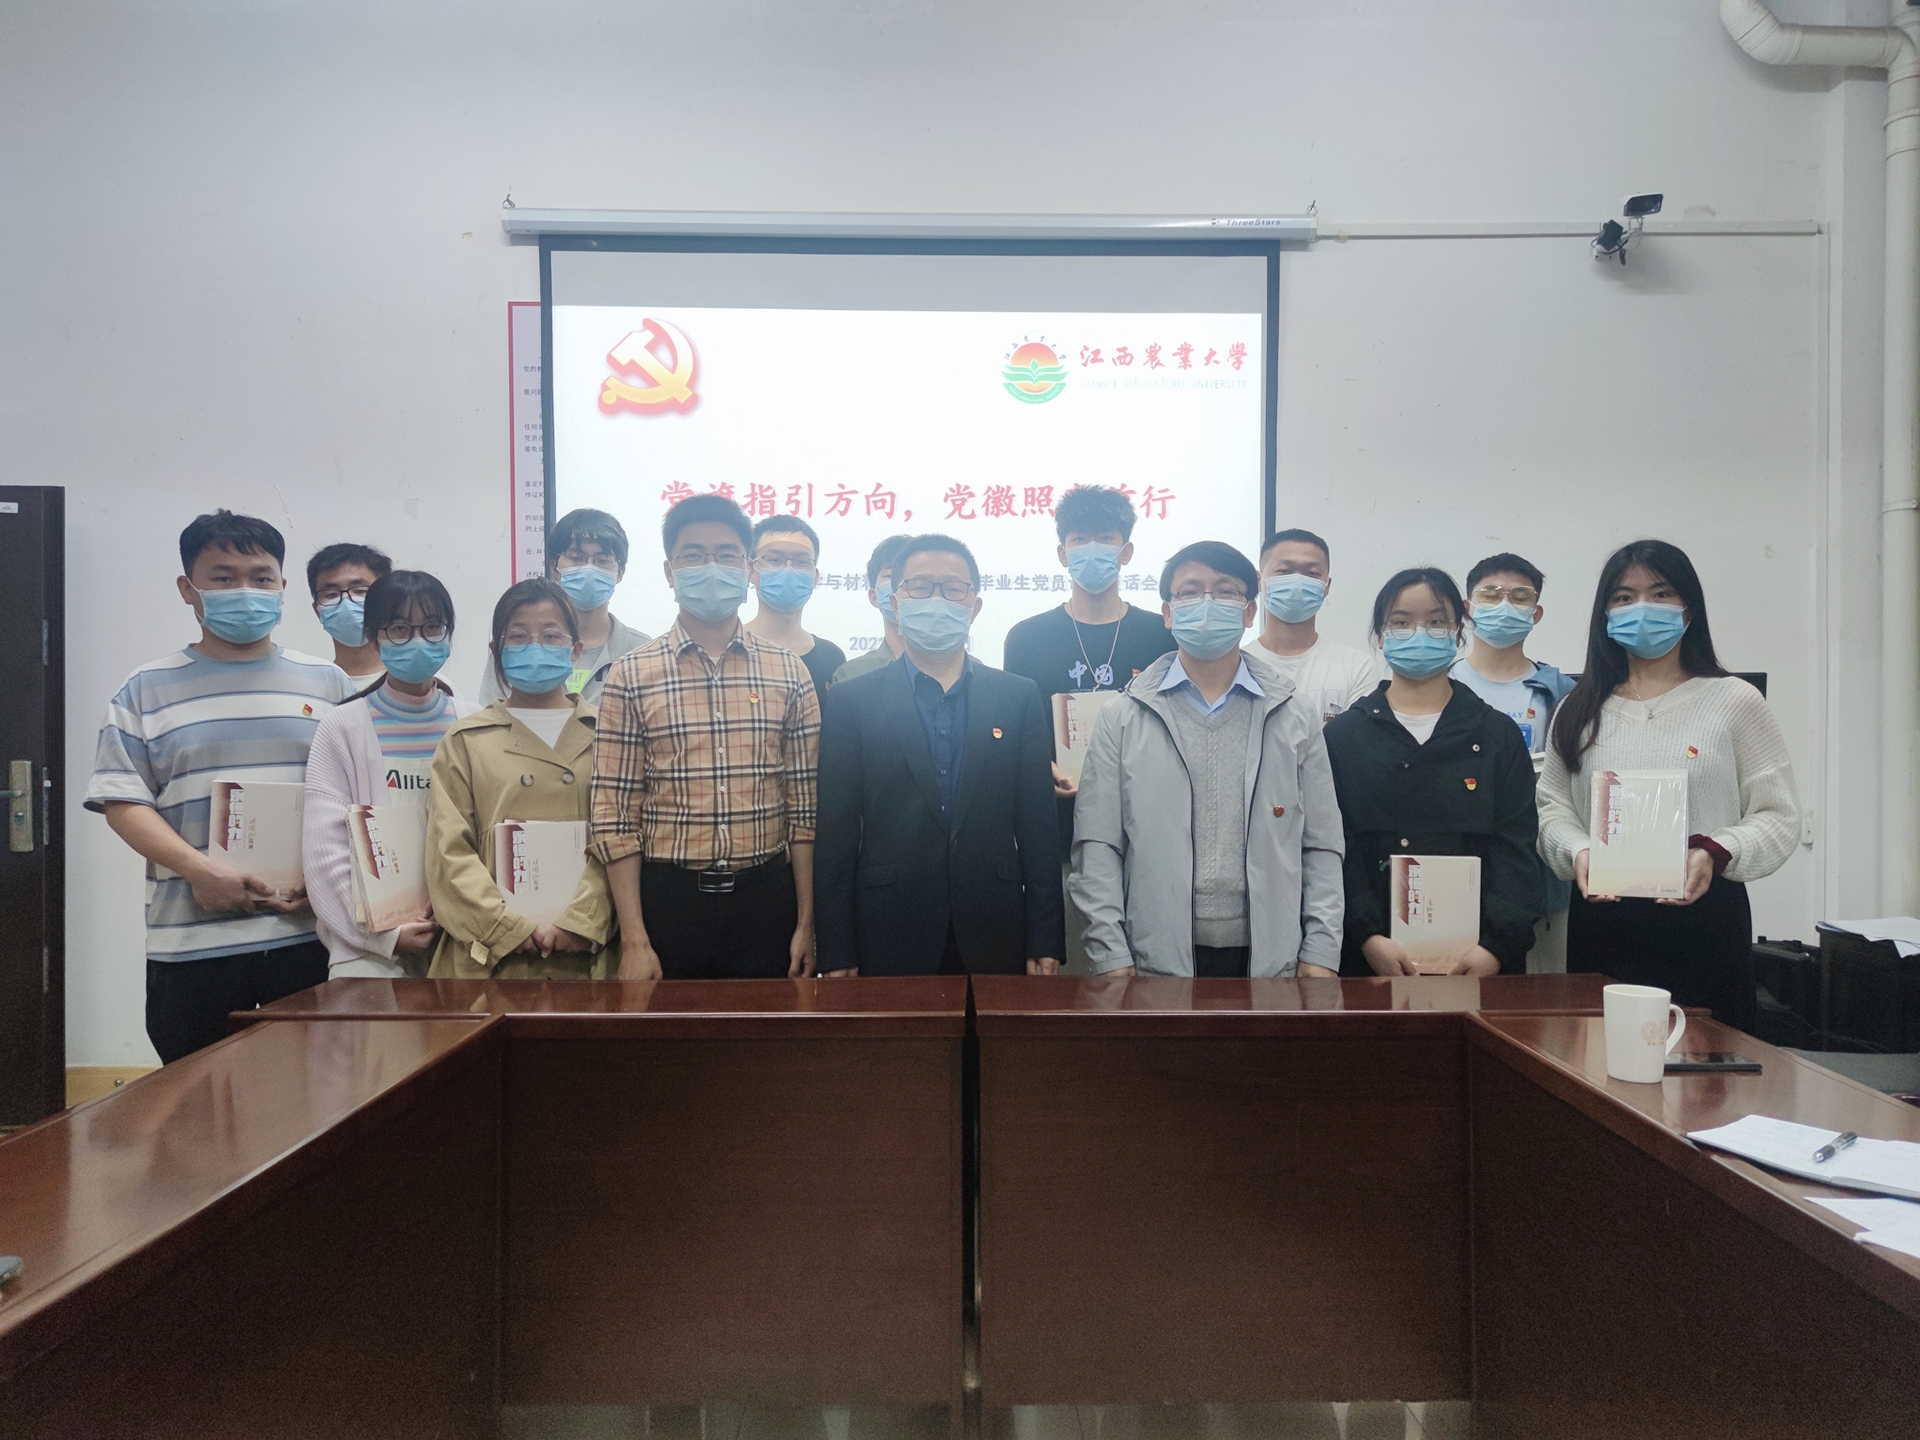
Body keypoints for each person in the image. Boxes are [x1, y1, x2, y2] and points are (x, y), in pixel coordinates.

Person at [86, 510, 354, 1063]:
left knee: (314, 1098)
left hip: (308, 940)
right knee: (200, 1104)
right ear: (189, 589)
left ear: (282, 586)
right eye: (224, 577)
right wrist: (199, 870)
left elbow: (356, 799)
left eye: (261, 577)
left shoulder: (329, 684)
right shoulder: (144, 689)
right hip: (192, 945)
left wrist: (324, 877)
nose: (245, 591)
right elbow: (122, 801)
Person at [1537, 540, 1800, 1030]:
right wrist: (1578, 851)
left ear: (1689, 609)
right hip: (1603, 922)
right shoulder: (1578, 708)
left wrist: (1715, 851)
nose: (1642, 608)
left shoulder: (1735, 701)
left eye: (1660, 594)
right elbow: (1552, 810)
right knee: (1602, 1060)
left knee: (1708, 1065)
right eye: (1624, 597)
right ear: (1605, 614)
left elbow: (1778, 816)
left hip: (1705, 918)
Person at [1069, 541, 1342, 979]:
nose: (1207, 602)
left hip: (1273, 960)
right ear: (1168, 612)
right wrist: (1110, 956)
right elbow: (1098, 845)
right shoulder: (1123, 716)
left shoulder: (1294, 714)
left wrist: (1321, 952)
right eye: (1190, 591)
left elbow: (1321, 844)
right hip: (1154, 958)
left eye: (1226, 591)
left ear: (1249, 612)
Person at [591, 494, 819, 981]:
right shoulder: (630, 675)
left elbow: (804, 810)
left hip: (766, 904)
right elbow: (614, 813)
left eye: (726, 554)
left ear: (749, 568)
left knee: (767, 1031)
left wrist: (806, 923)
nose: (711, 567)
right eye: (693, 555)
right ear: (670, 572)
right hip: (667, 905)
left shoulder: (790, 673)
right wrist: (634, 939)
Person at [816, 534, 1063, 976]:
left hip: (996, 925)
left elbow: (1037, 827)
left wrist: (1045, 937)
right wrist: (837, 949)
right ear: (895, 602)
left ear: (975, 605)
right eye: (920, 587)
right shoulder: (852, 700)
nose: (936, 599)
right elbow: (836, 832)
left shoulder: (1018, 696)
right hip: (887, 926)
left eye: (952, 588)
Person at [1323, 567, 1542, 977]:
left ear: (1458, 632)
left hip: (1482, 964)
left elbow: (1517, 848)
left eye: (1437, 621)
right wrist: (1366, 936)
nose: (1419, 633)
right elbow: (1335, 847)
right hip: (1369, 959)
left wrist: (1495, 947)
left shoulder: (1497, 734)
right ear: (1381, 634)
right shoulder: (1343, 736)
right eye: (1401, 622)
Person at [1002, 485, 1176, 972]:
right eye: (1080, 539)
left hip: (1148, 833)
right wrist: (1041, 769)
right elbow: (1018, 732)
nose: (1093, 550)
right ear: (1062, 553)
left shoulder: (1161, 635)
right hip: (1060, 834)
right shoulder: (1026, 637)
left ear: (1126, 551)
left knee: (1151, 978)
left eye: (1106, 538)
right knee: (1074, 975)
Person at [427, 578, 614, 979]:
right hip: (491, 957)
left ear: (575, 649)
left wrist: (583, 920)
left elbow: (623, 839)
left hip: (588, 951)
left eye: (550, 636)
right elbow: (448, 852)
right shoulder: (465, 740)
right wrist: (504, 928)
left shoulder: (610, 733)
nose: (535, 647)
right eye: (518, 637)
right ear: (496, 650)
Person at [304, 570, 479, 977]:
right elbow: (325, 852)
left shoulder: (473, 723)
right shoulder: (343, 726)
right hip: (372, 954)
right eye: (400, 629)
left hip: (462, 943)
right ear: (372, 637)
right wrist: (385, 935)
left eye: (432, 627)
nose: (418, 641)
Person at [1449, 551, 1578, 971]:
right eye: (1490, 594)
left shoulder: (1562, 693)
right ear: (1468, 608)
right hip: (1456, 864)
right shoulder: (1441, 684)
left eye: (1519, 596)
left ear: (1536, 613)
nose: (1504, 604)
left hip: (1539, 870)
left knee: (1543, 993)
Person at [477, 508, 649, 705]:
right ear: (554, 567)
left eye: (602, 560)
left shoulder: (642, 652)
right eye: (576, 558)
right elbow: (491, 716)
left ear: (620, 572)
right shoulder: (516, 646)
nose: (589, 568)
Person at [1249, 528, 1381, 725]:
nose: (1298, 582)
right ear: (1259, 580)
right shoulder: (1238, 666)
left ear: (1326, 586)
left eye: (1312, 573)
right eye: (1284, 571)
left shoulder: (1357, 667)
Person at [744, 513, 846, 696]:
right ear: (751, 570)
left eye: (801, 562)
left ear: (815, 577)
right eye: (775, 560)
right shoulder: (732, 649)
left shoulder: (832, 657)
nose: (788, 569)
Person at [307, 542, 392, 689]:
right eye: (331, 594)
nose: (346, 602)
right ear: (318, 611)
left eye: (360, 591)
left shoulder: (420, 686)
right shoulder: (307, 688)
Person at [832, 533, 913, 683]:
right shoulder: (852, 675)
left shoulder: (955, 669)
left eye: (913, 576)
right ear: (874, 597)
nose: (901, 584)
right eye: (891, 575)